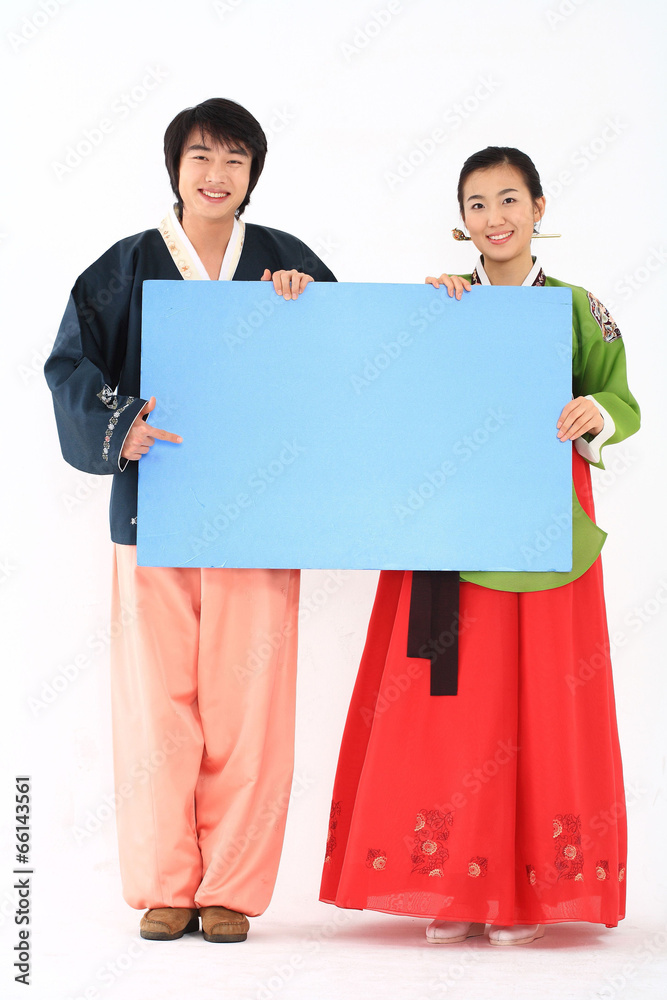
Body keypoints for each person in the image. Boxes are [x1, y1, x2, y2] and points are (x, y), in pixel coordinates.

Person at [319, 146, 639, 946]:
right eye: (476, 204)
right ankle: (456, 883)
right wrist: (427, 326)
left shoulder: (576, 307)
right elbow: (392, 401)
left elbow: (622, 398)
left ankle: (528, 892)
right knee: (455, 711)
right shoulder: (443, 303)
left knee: (544, 706)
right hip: (451, 535)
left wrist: (594, 411)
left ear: (538, 207)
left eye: (508, 199)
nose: (494, 217)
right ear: (460, 222)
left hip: (546, 532)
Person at [45, 98, 336, 943]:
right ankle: (166, 883)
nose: (216, 174)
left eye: (235, 160)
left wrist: (308, 309)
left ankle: (231, 888)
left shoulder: (286, 262)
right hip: (154, 509)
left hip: (262, 516)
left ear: (253, 174)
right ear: (175, 166)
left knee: (250, 709)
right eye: (201, 156)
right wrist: (119, 425)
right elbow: (70, 363)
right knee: (157, 705)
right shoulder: (125, 265)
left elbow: (352, 362)